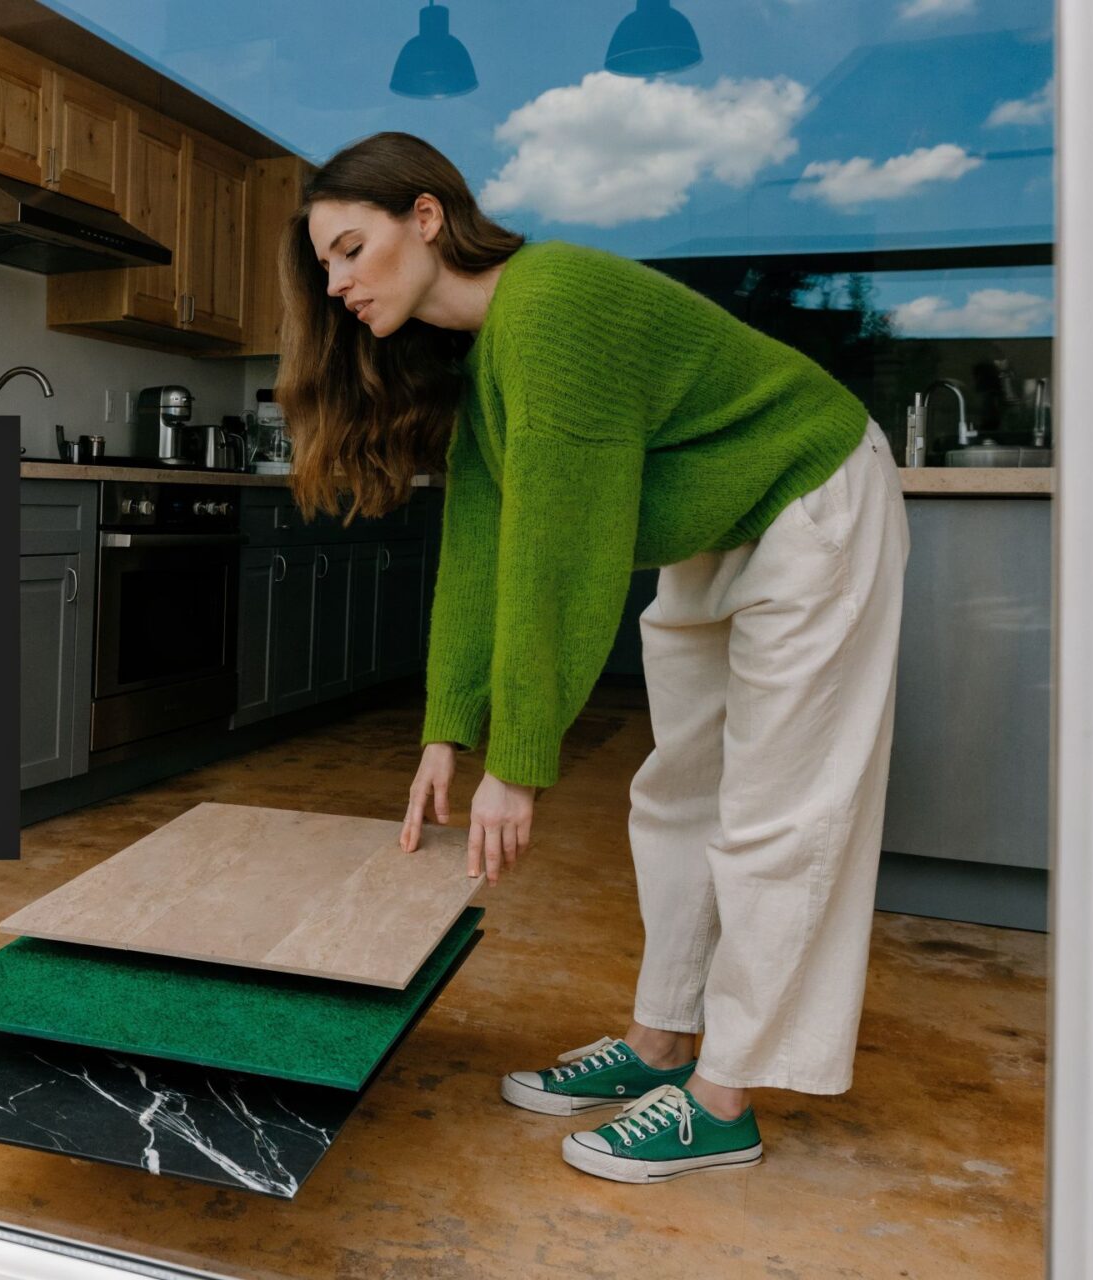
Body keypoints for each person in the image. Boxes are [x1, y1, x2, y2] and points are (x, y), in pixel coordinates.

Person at [275, 132, 909, 1184]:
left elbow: (559, 558)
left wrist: (516, 761)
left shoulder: (551, 301)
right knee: (675, 797)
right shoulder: (487, 368)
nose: (337, 283)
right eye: (325, 265)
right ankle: (663, 1038)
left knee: (776, 811)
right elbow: (484, 549)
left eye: (349, 248)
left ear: (426, 218)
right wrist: (448, 726)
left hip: (808, 493)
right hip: (719, 527)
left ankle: (722, 1098)